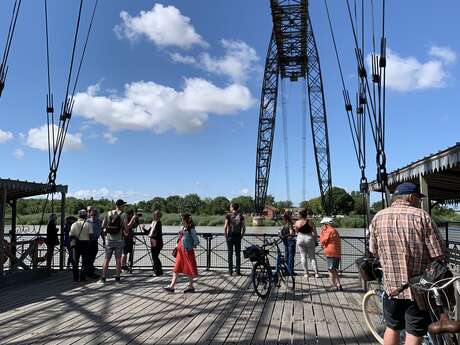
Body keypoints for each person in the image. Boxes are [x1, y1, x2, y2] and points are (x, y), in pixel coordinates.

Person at [369, 182, 445, 345]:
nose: (419, 201)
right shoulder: (421, 216)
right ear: (411, 197)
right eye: (418, 198)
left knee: (392, 326)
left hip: (391, 287)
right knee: (415, 330)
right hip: (417, 289)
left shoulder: (378, 217)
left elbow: (373, 251)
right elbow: (438, 253)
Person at [164, 213, 199, 293]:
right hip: (180, 252)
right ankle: (172, 287)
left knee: (189, 269)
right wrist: (176, 246)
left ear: (185, 220)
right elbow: (179, 238)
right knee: (176, 268)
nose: (181, 221)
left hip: (187, 252)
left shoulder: (191, 230)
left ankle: (191, 286)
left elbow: (196, 241)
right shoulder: (182, 228)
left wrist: (190, 247)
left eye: (182, 219)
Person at [99, 199, 129, 284]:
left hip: (109, 240)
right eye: (123, 205)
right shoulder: (124, 215)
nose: (124, 207)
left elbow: (103, 226)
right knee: (118, 259)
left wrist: (107, 231)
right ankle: (118, 278)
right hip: (119, 240)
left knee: (106, 259)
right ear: (120, 205)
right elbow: (126, 227)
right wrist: (125, 231)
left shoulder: (108, 213)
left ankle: (103, 278)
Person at [293, 209, 319, 278]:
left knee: (303, 256)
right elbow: (315, 233)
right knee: (312, 257)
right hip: (309, 238)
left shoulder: (297, 222)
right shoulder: (310, 222)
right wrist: (316, 241)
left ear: (300, 215)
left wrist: (296, 227)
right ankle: (316, 273)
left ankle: (306, 273)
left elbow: (296, 232)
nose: (297, 215)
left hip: (300, 239)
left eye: (298, 214)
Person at [69, 209, 94, 282]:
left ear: (79, 216)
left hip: (76, 244)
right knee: (84, 262)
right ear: (85, 216)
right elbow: (91, 235)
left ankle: (75, 278)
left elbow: (71, 235)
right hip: (85, 244)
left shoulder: (74, 224)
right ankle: (83, 278)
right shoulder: (88, 224)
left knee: (75, 262)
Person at [319, 217, 342, 290]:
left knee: (331, 270)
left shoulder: (329, 231)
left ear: (326, 224)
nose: (323, 226)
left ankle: (333, 285)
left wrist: (321, 232)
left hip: (330, 252)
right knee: (334, 269)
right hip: (336, 252)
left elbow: (323, 241)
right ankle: (338, 284)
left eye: (323, 225)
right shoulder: (335, 230)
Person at [224, 202, 246, 276]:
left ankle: (230, 272)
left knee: (230, 254)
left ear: (233, 208)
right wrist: (241, 236)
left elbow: (225, 227)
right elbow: (244, 228)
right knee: (238, 254)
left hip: (230, 236)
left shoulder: (228, 215)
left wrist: (226, 236)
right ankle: (238, 271)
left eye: (230, 207)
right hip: (238, 237)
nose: (229, 208)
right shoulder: (241, 216)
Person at [142, 210, 163, 276]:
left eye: (156, 215)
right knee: (155, 257)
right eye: (154, 215)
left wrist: (150, 236)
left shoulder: (159, 223)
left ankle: (157, 271)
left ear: (158, 216)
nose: (154, 216)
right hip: (153, 241)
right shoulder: (153, 222)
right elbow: (149, 231)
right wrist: (143, 229)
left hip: (157, 242)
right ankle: (158, 271)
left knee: (155, 257)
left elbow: (156, 234)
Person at [86, 206, 102, 279]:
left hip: (95, 241)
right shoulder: (87, 221)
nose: (94, 216)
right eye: (93, 214)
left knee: (93, 256)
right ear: (90, 214)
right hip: (89, 242)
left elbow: (101, 230)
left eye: (95, 214)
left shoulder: (99, 221)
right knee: (89, 257)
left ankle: (90, 270)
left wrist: (104, 239)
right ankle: (89, 273)